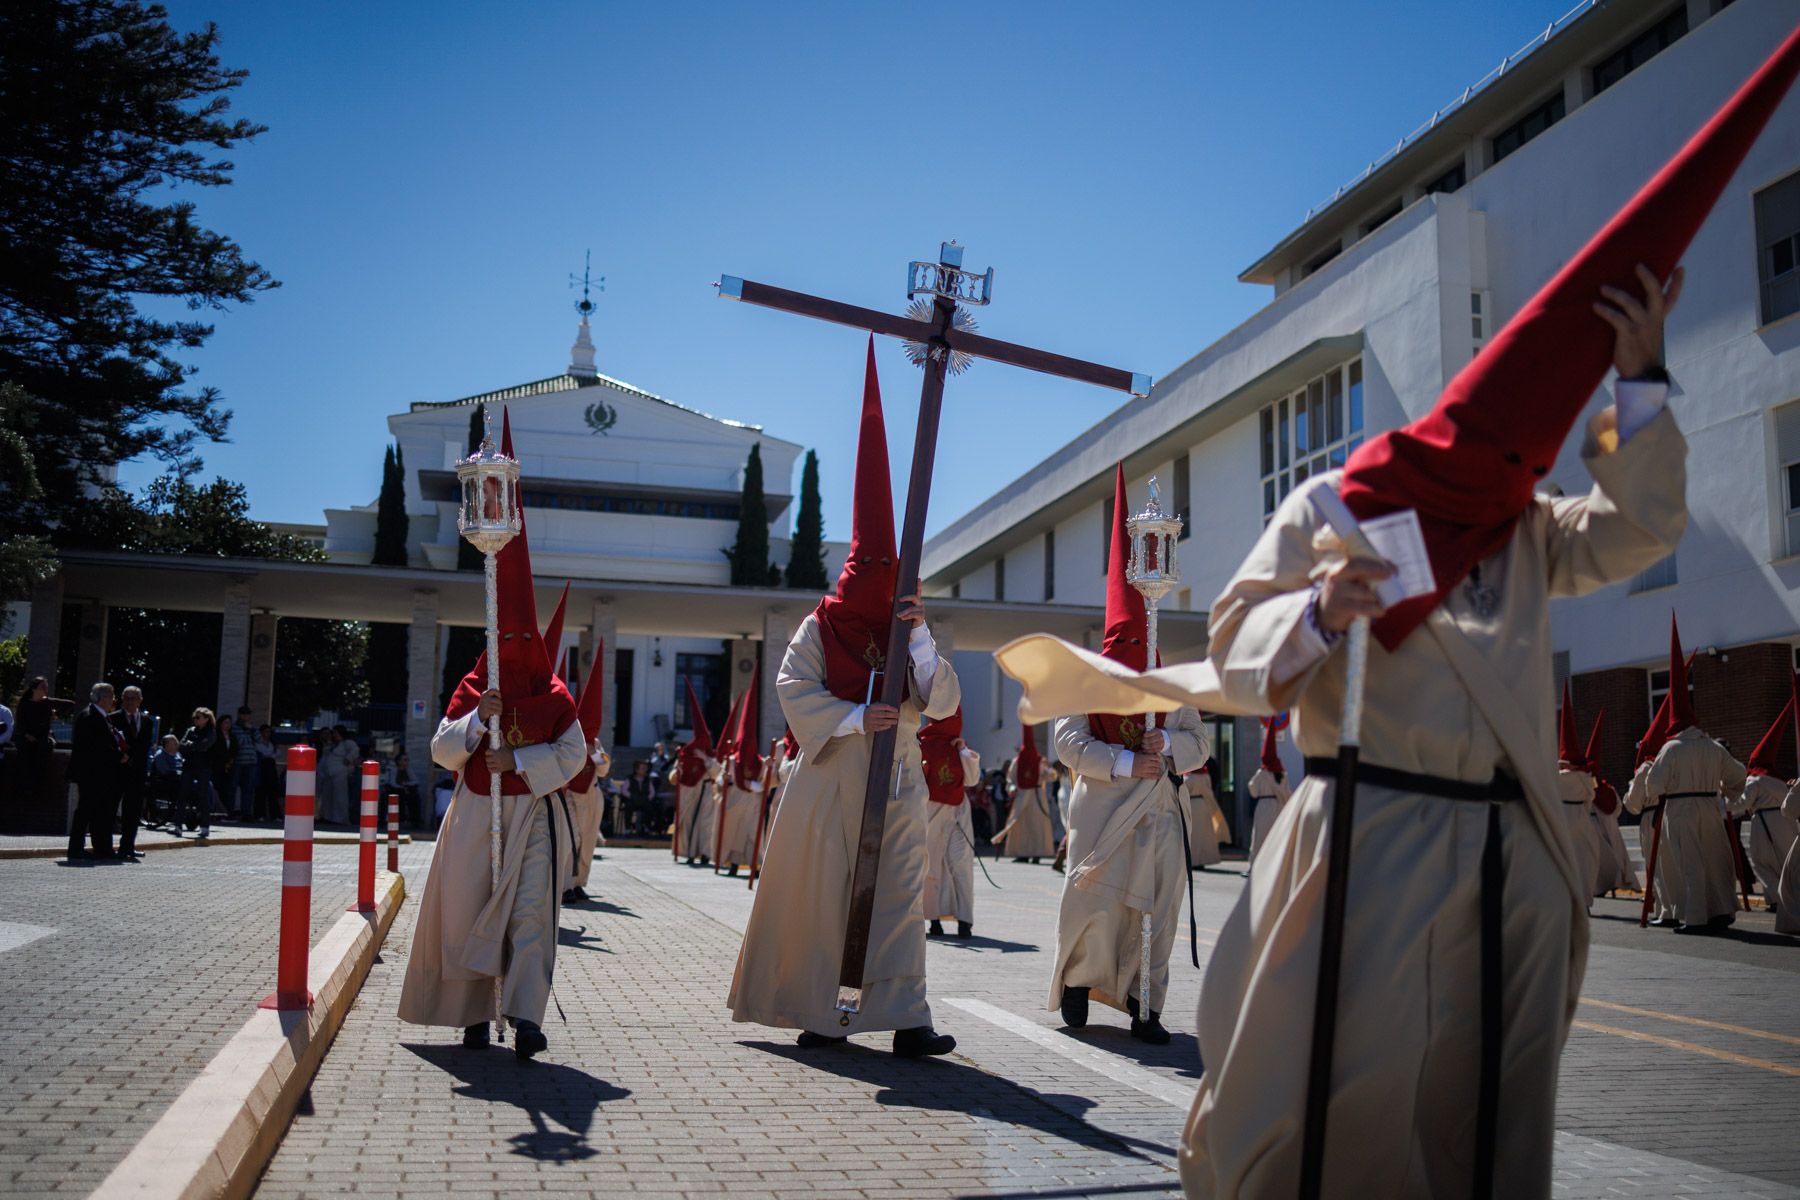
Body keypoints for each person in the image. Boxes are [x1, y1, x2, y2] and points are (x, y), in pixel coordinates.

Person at [728, 340, 961, 1058]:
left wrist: (920, 643)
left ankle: (906, 1018)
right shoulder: (820, 625)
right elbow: (792, 687)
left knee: (897, 897)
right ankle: (822, 1014)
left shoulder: (908, 628)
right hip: (832, 776)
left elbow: (943, 704)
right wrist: (859, 716)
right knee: (825, 900)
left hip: (896, 781)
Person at [399, 409, 586, 1060]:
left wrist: (523, 760)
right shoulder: (479, 683)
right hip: (478, 812)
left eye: (519, 638)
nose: (510, 647)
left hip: (531, 814)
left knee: (532, 914)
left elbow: (574, 752)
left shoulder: (552, 691)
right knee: (469, 907)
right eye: (500, 638)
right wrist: (480, 724)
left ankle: (528, 1018)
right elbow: (442, 747)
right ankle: (474, 1014)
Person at [1048, 465, 1209, 1046]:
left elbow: (1200, 741)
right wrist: (1123, 762)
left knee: (1157, 909)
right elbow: (1068, 742)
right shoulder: (1086, 678)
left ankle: (1148, 1002)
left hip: (1161, 812)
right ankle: (1078, 983)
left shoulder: (1173, 680)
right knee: (1096, 906)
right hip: (1104, 811)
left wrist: (1167, 746)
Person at [1637, 627, 1746, 933]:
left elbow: (1654, 786)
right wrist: (1725, 790)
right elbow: (1739, 775)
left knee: (1691, 863)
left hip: (1680, 809)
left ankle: (1696, 917)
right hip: (1710, 805)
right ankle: (1723, 909)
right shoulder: (1713, 746)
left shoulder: (1670, 748)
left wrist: (1663, 790)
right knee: (1716, 860)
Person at [921, 710, 981, 939]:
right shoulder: (922, 744)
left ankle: (964, 920)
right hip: (932, 811)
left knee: (961, 863)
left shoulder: (958, 746)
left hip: (959, 812)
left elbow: (972, 779)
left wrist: (963, 751)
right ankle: (933, 919)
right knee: (931, 865)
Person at [1732, 697, 1797, 907]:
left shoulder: (1754, 780)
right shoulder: (1779, 780)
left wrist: (1724, 807)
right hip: (1785, 820)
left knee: (1762, 862)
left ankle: (1778, 899)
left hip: (1764, 822)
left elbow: (1742, 803)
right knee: (1786, 861)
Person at [561, 639, 610, 904]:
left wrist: (593, 752)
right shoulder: (568, 739)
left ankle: (580, 882)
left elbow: (603, 768)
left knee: (588, 841)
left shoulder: (596, 743)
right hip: (570, 796)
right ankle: (566, 885)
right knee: (571, 840)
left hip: (591, 795)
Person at [1553, 683, 1604, 910]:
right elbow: (1591, 794)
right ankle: (1582, 898)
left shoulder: (1554, 774)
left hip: (1560, 815)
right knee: (1586, 857)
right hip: (1580, 815)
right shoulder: (1583, 776)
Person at [68, 682, 127, 860]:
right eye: (111, 696)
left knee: (101, 811)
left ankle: (102, 848)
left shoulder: (102, 716)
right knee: (85, 810)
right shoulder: (89, 716)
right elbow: (96, 747)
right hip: (91, 773)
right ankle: (76, 848)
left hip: (102, 774)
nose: (113, 700)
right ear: (101, 698)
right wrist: (118, 756)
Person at [713, 689, 763, 877]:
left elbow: (769, 781)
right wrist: (723, 780)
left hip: (752, 806)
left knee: (751, 837)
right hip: (734, 803)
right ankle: (732, 865)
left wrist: (758, 784)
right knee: (733, 836)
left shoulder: (759, 762)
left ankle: (755, 866)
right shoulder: (732, 761)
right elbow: (719, 780)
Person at [669, 678, 717, 866]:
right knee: (687, 823)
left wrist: (706, 760)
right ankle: (687, 852)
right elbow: (673, 778)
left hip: (706, 793)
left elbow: (717, 773)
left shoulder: (711, 755)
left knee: (704, 825)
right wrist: (678, 771)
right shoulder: (685, 755)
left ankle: (704, 853)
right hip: (689, 793)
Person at [994, 723, 1055, 863]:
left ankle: (1037, 854)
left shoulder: (1040, 761)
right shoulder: (1017, 761)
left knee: (1036, 825)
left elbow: (1051, 776)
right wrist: (1012, 788)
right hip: (1021, 797)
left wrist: (1049, 768)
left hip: (1037, 796)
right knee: (1021, 826)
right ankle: (1022, 854)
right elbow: (1010, 779)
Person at [110, 685, 156, 857]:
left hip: (137, 772)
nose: (129, 702)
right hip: (118, 771)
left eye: (133, 698)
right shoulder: (113, 718)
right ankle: (106, 846)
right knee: (111, 808)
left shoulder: (147, 721)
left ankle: (127, 846)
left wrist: (134, 759)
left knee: (133, 811)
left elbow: (144, 746)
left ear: (140, 700)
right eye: (126, 698)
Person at [1245, 717, 1290, 865]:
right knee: (1276, 836)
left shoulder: (1262, 773)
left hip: (1264, 806)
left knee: (1260, 836)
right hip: (1278, 806)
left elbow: (1252, 789)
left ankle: (1257, 864)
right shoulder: (1282, 774)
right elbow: (1287, 793)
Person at [178, 707, 217, 838]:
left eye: (198, 717)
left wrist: (191, 745)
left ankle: (205, 826)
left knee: (203, 796)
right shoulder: (190, 730)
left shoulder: (211, 732)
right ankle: (177, 825)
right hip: (188, 766)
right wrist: (194, 745)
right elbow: (181, 746)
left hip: (204, 767)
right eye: (194, 717)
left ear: (206, 719)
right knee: (182, 794)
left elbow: (204, 746)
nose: (195, 719)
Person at [14, 676, 54, 802]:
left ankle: (38, 787)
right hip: (26, 737)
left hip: (41, 737)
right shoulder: (25, 704)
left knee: (43, 750)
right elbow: (20, 723)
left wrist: (39, 736)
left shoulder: (47, 703)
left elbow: (46, 724)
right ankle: (25, 788)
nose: (45, 689)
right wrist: (27, 735)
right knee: (24, 753)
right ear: (34, 689)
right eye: (43, 687)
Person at [1186, 760, 1227, 870]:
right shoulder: (1205, 775)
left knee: (1192, 835)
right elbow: (1209, 791)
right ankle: (1201, 860)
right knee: (1202, 836)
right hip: (1203, 805)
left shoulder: (1187, 777)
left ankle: (1192, 860)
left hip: (1191, 805)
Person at [228, 709, 260, 821]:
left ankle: (246, 813)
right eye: (244, 715)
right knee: (232, 787)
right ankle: (230, 812)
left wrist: (251, 730)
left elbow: (259, 740)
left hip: (251, 762)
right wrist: (244, 730)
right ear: (240, 715)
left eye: (248, 715)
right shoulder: (234, 728)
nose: (247, 717)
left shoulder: (252, 728)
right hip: (238, 762)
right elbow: (237, 742)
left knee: (248, 789)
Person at [148, 734, 183, 822]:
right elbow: (165, 772)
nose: (177, 744)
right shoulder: (160, 755)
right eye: (174, 742)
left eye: (177, 742)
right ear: (167, 745)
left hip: (180, 779)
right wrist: (180, 774)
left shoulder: (178, 754)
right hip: (165, 782)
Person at [254, 725, 280, 820]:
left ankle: (275, 815)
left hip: (271, 768)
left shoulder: (272, 743)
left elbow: (278, 754)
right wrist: (270, 755)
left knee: (273, 792)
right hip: (262, 768)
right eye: (265, 732)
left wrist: (270, 755)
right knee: (261, 792)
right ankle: (260, 814)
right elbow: (263, 753)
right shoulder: (257, 743)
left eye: (269, 732)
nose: (267, 734)